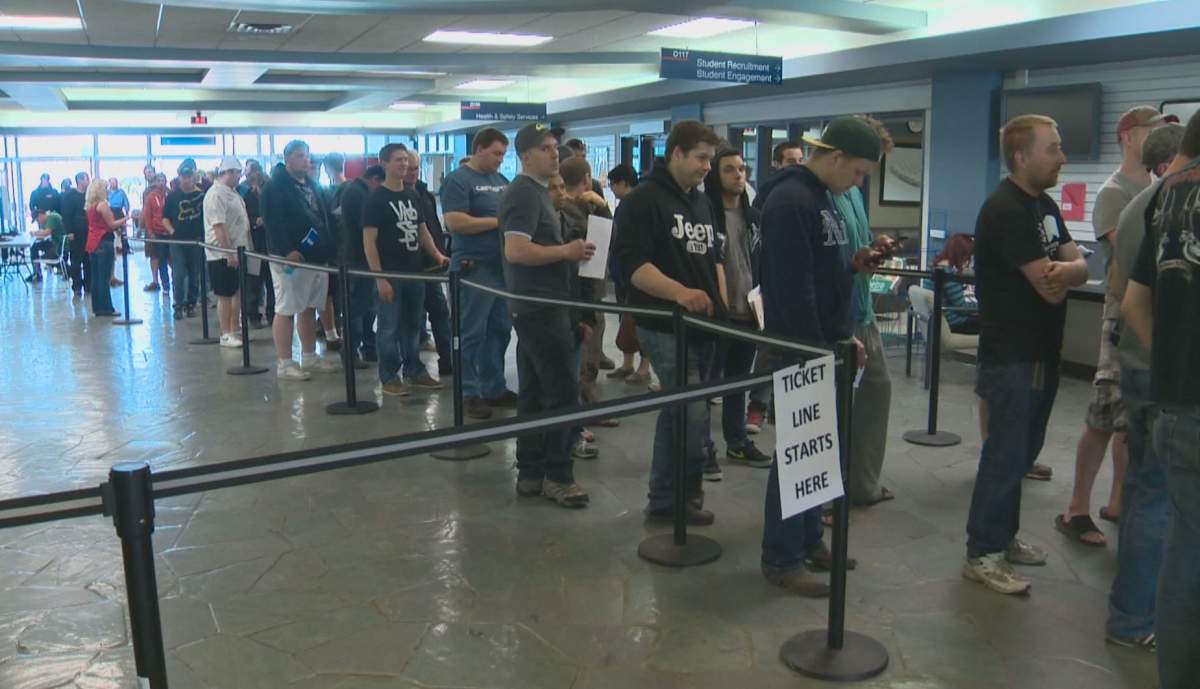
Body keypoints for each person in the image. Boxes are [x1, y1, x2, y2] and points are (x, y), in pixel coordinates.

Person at [758, 117, 884, 596]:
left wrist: (842, 332)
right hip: (803, 348)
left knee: (818, 450)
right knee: (798, 451)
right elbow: (793, 290)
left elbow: (826, 273)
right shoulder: (791, 201)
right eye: (857, 172)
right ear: (834, 158)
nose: (858, 182)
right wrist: (817, 348)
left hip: (826, 343)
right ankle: (782, 556)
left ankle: (809, 538)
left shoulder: (820, 198)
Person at [964, 114, 1089, 595]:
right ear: (1022, 157)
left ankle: (1003, 536)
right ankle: (983, 552)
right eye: (1053, 148)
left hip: (1042, 351)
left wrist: (1071, 269)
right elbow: (1054, 286)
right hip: (1011, 353)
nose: (1062, 157)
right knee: (1005, 454)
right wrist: (1070, 271)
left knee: (1023, 454)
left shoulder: (1045, 205)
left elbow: (1078, 263)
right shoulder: (1005, 209)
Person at [1057, 106, 1174, 546]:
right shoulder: (1115, 192)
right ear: (1129, 136)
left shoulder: (1160, 187)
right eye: (1151, 131)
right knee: (1104, 414)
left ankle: (1120, 501)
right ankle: (1077, 507)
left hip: (1150, 313)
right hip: (1121, 310)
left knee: (1132, 421)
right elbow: (1130, 258)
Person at [613, 119, 725, 526]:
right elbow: (631, 266)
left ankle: (673, 497)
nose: (706, 167)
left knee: (681, 410)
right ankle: (676, 497)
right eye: (700, 158)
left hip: (706, 324)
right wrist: (679, 293)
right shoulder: (642, 201)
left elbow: (713, 258)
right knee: (691, 410)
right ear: (676, 153)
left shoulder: (700, 201)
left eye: (710, 159)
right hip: (664, 324)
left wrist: (722, 303)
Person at [1122, 109, 1200, 689]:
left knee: (1184, 550)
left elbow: (1133, 303)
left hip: (1177, 403)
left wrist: (1173, 366)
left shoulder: (1165, 200)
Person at [1104, 122, 1185, 653]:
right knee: (1160, 498)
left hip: (1136, 365)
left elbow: (1118, 290)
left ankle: (1131, 611)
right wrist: (1173, 365)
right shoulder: (1176, 207)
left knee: (1142, 491)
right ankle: (1137, 618)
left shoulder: (1140, 205)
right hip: (1163, 374)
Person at [501, 123, 595, 508]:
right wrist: (565, 252)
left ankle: (531, 470)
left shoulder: (539, 194)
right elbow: (516, 251)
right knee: (560, 392)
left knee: (536, 392)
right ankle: (558, 474)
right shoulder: (523, 194)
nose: (554, 153)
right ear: (525, 156)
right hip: (538, 307)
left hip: (545, 304)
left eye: (555, 147)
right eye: (545, 148)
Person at [833, 115, 899, 508]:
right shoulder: (821, 194)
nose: (860, 180)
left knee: (876, 392)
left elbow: (854, 245)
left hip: (863, 311)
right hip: (840, 316)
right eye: (858, 170)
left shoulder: (853, 194)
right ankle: (826, 496)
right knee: (834, 408)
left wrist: (874, 247)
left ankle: (862, 484)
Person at [700, 147, 771, 483]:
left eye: (742, 169)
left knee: (737, 383)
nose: (738, 175)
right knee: (706, 384)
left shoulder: (753, 217)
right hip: (716, 317)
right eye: (729, 169)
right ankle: (702, 448)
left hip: (749, 313)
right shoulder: (704, 215)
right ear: (715, 174)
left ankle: (737, 441)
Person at [441, 127, 516, 419]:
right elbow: (456, 222)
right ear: (480, 149)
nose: (500, 159)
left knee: (499, 329)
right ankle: (468, 391)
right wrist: (497, 222)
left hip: (501, 268)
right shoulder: (458, 181)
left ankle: (494, 386)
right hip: (474, 267)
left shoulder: (502, 181)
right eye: (496, 153)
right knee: (471, 333)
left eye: (503, 154)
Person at [362, 143, 447, 395]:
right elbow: (369, 242)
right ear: (385, 163)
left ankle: (414, 370)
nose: (404, 164)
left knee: (413, 325)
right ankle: (389, 375)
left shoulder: (412, 196)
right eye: (398, 160)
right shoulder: (376, 199)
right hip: (391, 274)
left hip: (414, 273)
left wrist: (437, 255)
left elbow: (423, 232)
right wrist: (380, 278)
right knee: (389, 327)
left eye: (405, 160)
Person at [262, 140, 342, 380]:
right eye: (299, 156)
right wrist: (286, 249)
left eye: (306, 156)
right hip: (290, 257)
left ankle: (309, 356)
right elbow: (273, 222)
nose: (305, 160)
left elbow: (323, 216)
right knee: (286, 307)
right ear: (288, 159)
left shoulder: (313, 184)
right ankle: (285, 362)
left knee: (310, 306)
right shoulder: (274, 187)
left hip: (316, 256)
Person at [745, 139, 809, 432]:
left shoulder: (808, 195)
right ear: (777, 164)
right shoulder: (766, 199)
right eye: (791, 161)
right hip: (769, 287)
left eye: (800, 160)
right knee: (768, 349)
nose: (797, 165)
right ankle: (756, 407)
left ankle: (784, 411)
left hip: (800, 290)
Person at [406, 149, 453, 376]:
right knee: (412, 320)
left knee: (441, 314)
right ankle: (412, 367)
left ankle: (448, 360)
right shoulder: (396, 195)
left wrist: (439, 253)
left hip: (432, 266)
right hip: (410, 268)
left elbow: (431, 227)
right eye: (409, 169)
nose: (413, 173)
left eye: (416, 168)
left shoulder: (424, 193)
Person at [338, 163, 384, 366]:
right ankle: (350, 352)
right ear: (375, 179)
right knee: (357, 308)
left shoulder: (354, 191)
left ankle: (366, 346)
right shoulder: (357, 194)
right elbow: (365, 225)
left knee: (367, 308)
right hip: (358, 258)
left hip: (360, 258)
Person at [203, 156, 252, 349]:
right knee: (225, 294)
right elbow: (219, 226)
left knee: (237, 292)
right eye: (238, 173)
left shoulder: (231, 192)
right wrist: (229, 252)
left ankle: (234, 328)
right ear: (229, 172)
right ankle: (225, 333)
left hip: (238, 250)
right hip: (222, 254)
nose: (240, 177)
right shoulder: (216, 194)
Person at [163, 159, 207, 320]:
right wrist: (172, 231)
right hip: (178, 241)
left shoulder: (201, 195)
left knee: (195, 273)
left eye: (189, 176)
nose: (186, 179)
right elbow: (165, 218)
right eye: (183, 176)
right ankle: (178, 305)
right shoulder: (173, 196)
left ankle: (191, 304)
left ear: (193, 177)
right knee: (179, 273)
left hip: (196, 240)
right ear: (179, 177)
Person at [84, 178, 127, 317]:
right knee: (105, 277)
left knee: (96, 277)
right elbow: (112, 224)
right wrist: (126, 218)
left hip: (92, 242)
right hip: (104, 241)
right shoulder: (102, 205)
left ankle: (97, 307)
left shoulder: (89, 206)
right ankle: (107, 308)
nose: (108, 190)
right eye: (105, 188)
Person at [240, 160, 273, 329]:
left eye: (250, 173)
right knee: (253, 282)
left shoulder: (271, 193)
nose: (247, 176)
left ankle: (272, 315)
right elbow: (244, 218)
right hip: (254, 246)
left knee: (272, 282)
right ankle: (253, 315)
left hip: (271, 246)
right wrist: (255, 221)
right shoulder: (247, 196)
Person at [927, 234, 980, 334]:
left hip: (942, 321)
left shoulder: (935, 268)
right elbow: (962, 307)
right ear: (960, 255)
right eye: (967, 257)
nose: (968, 262)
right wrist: (982, 306)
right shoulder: (947, 274)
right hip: (954, 323)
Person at [61, 172, 89, 296]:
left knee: (88, 260)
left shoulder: (89, 195)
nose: (88, 181)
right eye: (86, 179)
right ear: (80, 180)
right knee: (76, 260)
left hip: (88, 233)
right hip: (76, 233)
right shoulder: (70, 196)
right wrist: (69, 232)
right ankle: (77, 285)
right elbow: (66, 216)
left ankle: (89, 285)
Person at [143, 173, 170, 293]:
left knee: (173, 259)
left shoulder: (169, 195)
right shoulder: (150, 197)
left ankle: (175, 285)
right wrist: (150, 232)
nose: (160, 183)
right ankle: (165, 286)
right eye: (158, 180)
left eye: (162, 180)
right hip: (157, 233)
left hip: (170, 232)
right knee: (161, 260)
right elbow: (147, 215)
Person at [28, 206, 66, 282]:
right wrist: (37, 233)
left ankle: (69, 271)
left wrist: (34, 234)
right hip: (55, 242)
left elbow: (46, 233)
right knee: (34, 246)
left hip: (59, 245)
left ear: (40, 215)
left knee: (42, 258)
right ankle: (37, 273)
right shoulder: (51, 216)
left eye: (37, 220)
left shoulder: (52, 218)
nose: (39, 222)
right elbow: (45, 231)